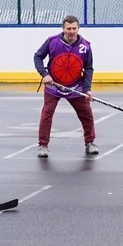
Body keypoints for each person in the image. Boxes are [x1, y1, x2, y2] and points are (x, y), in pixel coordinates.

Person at [33, 15, 97, 158]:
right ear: (63, 29)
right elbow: (37, 56)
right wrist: (44, 74)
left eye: (74, 28)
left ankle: (90, 142)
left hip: (75, 87)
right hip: (53, 87)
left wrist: (87, 89)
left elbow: (88, 68)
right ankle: (43, 145)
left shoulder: (85, 46)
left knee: (86, 114)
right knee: (47, 114)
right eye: (68, 28)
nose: (71, 31)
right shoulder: (52, 42)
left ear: (78, 28)